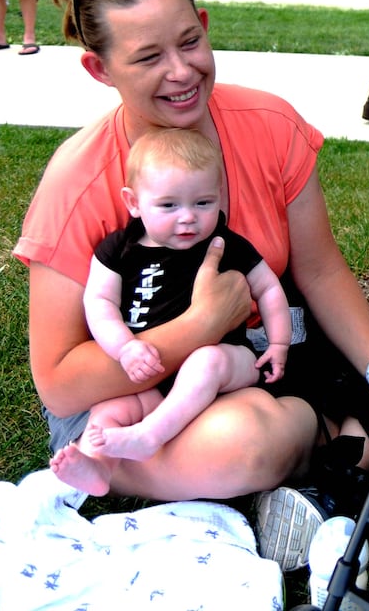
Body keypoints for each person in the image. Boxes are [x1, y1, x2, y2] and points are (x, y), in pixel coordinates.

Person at [15, 0, 369, 571]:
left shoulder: (268, 123)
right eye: (149, 57)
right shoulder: (78, 182)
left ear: (206, 27)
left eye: (189, 43)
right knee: (247, 441)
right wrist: (199, 327)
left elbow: (319, 269)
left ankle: (347, 425)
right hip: (132, 410)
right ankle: (340, 442)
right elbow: (59, 381)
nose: (182, 70)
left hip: (263, 355)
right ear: (99, 70)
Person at [51, 127, 293, 497]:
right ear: (134, 203)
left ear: (219, 198)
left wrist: (278, 343)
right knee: (111, 410)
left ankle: (149, 436)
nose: (188, 219)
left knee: (206, 362)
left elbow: (268, 289)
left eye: (203, 203)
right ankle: (97, 467)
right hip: (152, 376)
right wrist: (125, 348)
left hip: (228, 365)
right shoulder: (119, 249)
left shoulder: (225, 244)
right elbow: (99, 305)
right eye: (169, 205)